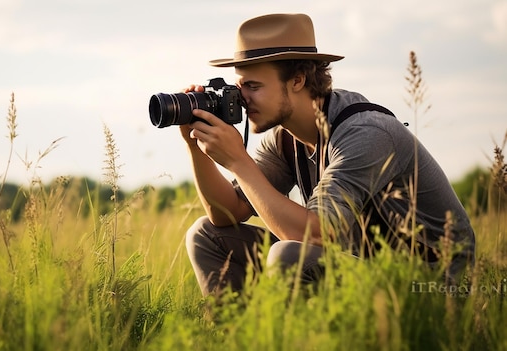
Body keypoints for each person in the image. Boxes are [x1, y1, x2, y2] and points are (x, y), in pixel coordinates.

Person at [180, 13, 475, 296]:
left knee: (288, 255)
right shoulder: (284, 139)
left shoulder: (366, 133)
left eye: (253, 86)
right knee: (206, 235)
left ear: (297, 80)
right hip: (368, 271)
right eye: (239, 86)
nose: (242, 98)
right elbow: (225, 214)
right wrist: (195, 145)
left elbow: (315, 235)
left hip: (431, 285)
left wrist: (237, 161)